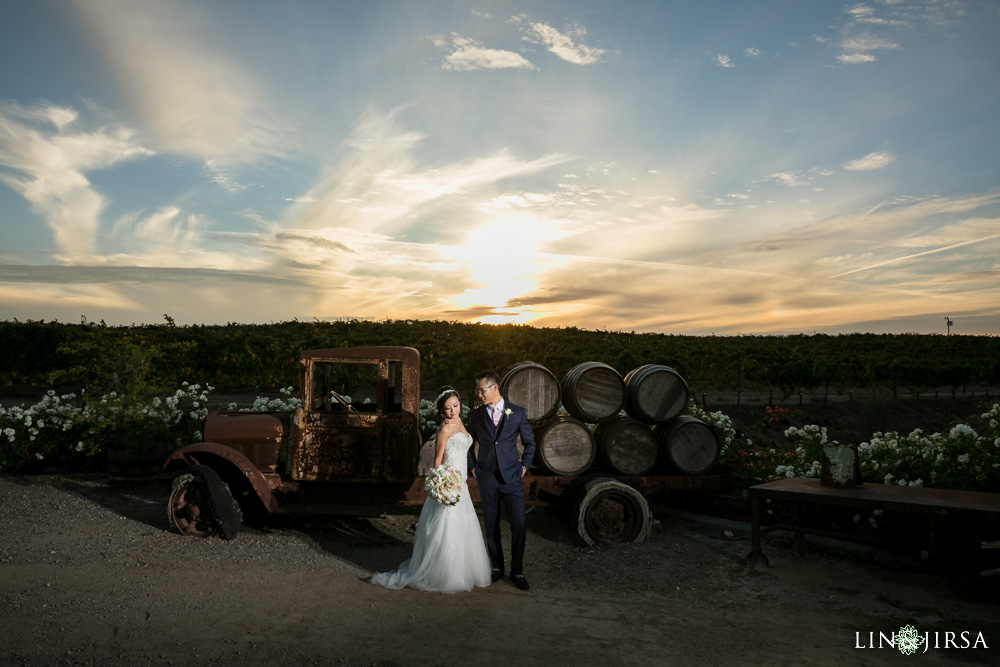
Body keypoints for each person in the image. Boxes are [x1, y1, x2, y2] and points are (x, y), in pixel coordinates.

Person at [369, 386, 491, 594]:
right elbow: (437, 461)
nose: (453, 411)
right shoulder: (444, 430)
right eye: (447, 408)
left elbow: (465, 448)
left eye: (455, 405)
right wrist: (442, 483)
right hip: (450, 481)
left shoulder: (461, 421)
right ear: (441, 410)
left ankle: (464, 570)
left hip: (462, 482)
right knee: (447, 523)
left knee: (464, 525)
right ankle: (445, 573)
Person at [467, 370, 536, 591]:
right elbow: (468, 443)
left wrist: (524, 466)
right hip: (487, 478)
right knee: (490, 525)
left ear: (494, 388)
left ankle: (517, 571)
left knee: (519, 523)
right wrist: (473, 467)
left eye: (482, 390)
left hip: (512, 477)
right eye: (477, 390)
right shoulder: (475, 415)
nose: (479, 394)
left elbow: (530, 442)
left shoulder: (517, 412)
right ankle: (497, 567)